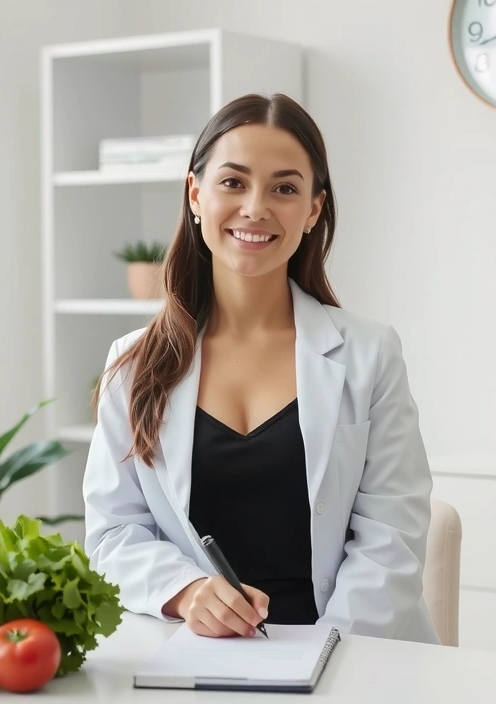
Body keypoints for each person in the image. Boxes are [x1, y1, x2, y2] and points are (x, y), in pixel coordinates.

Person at [81, 92, 439, 644]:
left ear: (313, 209)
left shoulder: (371, 354)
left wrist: (323, 658)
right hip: (197, 651)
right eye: (233, 182)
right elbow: (113, 534)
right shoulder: (133, 365)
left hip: (354, 653)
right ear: (195, 194)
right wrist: (188, 592)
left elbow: (391, 537)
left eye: (285, 188)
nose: (255, 207)